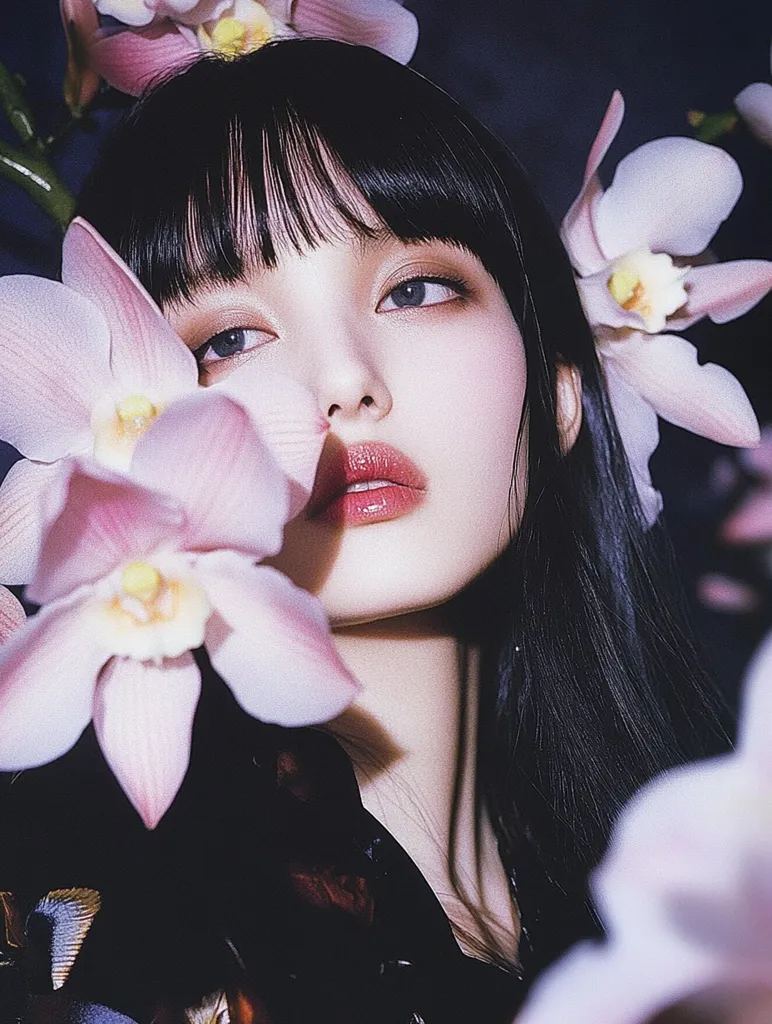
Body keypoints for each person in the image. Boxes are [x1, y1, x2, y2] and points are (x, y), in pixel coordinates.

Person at [0, 38, 730, 1024]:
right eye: (229, 340)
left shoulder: (705, 908)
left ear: (561, 396)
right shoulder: (98, 953)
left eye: (415, 289)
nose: (340, 382)